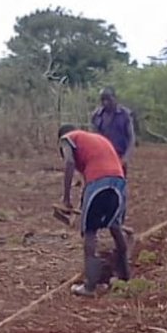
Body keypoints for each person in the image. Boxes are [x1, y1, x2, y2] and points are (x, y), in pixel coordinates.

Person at [57, 125, 129, 297]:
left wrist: (66, 198)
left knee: (89, 231)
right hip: (118, 182)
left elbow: (69, 162)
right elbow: (120, 166)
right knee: (115, 226)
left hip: (99, 182)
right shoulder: (97, 140)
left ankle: (89, 286)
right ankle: (125, 276)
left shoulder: (67, 139)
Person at [90, 87, 135, 173]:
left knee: (118, 183)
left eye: (108, 99)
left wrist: (126, 158)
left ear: (115, 98)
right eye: (102, 100)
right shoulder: (96, 115)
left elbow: (131, 138)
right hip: (102, 157)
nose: (105, 103)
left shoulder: (125, 115)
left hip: (119, 156)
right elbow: (93, 138)